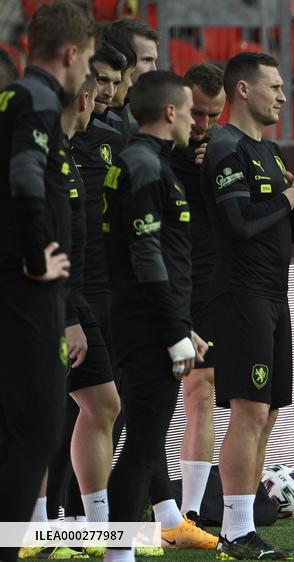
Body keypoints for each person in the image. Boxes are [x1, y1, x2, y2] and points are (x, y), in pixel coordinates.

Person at [203, 52, 294, 560]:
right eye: (275, 87)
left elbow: (279, 228)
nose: (283, 96)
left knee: (269, 412)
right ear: (242, 90)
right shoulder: (223, 146)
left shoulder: (272, 151)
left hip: (272, 294)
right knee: (249, 409)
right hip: (239, 294)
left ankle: (244, 525)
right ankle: (235, 531)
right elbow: (240, 223)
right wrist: (290, 195)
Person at [102, 70, 213, 562]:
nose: (196, 121)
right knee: (142, 447)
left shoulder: (145, 162)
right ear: (170, 112)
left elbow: (147, 258)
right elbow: (146, 258)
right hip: (146, 329)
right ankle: (118, 554)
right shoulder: (144, 166)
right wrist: (174, 334)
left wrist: (180, 324)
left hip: (146, 321)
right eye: (190, 110)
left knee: (143, 445)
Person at [0, 4, 93, 560]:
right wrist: (36, 257)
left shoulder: (11, 96)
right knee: (36, 429)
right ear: (69, 54)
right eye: (86, 60)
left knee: (17, 429)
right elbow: (24, 175)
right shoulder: (37, 98)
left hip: (15, 288)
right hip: (26, 290)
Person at [44, 41, 129, 532]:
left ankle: (92, 523)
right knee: (40, 417)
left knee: (104, 403)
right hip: (52, 305)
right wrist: (69, 313)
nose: (107, 95)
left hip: (86, 299)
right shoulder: (41, 153)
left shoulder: (101, 143)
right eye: (99, 85)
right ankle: (36, 525)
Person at [166, 62, 226, 529]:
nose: (203, 126)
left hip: (206, 287)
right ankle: (88, 512)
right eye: (197, 114)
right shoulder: (152, 153)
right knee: (125, 403)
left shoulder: (227, 155)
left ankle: (189, 512)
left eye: (213, 116)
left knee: (201, 391)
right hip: (156, 288)